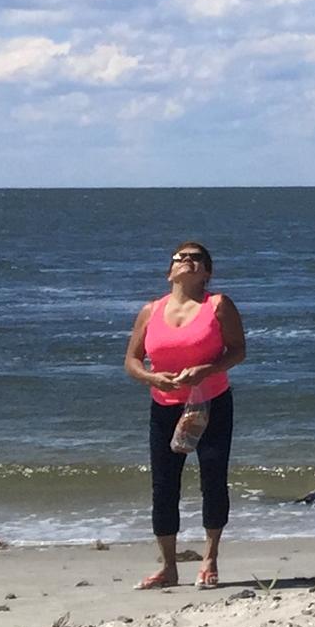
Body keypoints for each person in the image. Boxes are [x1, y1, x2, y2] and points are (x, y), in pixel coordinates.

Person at [121, 238, 247, 588]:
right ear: (170, 272)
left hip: (211, 403)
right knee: (163, 487)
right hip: (165, 406)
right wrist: (150, 376)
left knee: (213, 479)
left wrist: (205, 370)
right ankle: (168, 566)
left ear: (206, 272)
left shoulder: (218, 305)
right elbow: (131, 360)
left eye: (198, 259)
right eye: (182, 257)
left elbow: (238, 351)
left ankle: (210, 559)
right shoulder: (151, 311)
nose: (189, 261)